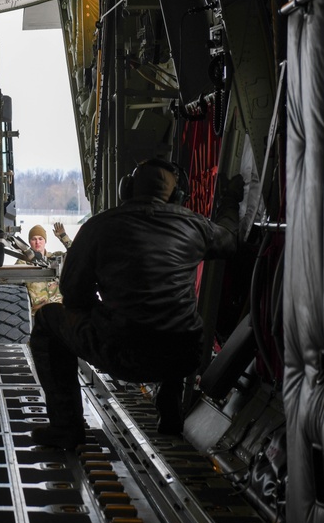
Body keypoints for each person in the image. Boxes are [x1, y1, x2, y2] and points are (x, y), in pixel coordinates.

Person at [29, 158, 244, 449]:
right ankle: (170, 407)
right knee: (176, 319)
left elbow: (73, 294)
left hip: (121, 355)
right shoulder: (194, 226)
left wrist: (107, 313)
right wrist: (230, 200)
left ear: (126, 190)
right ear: (178, 197)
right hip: (182, 355)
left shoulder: (99, 226)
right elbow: (230, 240)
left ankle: (66, 428)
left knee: (47, 320)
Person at [15, 224, 69, 311]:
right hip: (36, 314)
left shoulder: (56, 257)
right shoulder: (23, 262)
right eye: (34, 239)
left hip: (59, 312)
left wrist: (63, 236)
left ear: (45, 241)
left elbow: (76, 253)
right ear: (29, 242)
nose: (37, 242)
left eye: (40, 239)